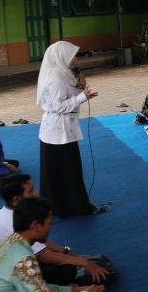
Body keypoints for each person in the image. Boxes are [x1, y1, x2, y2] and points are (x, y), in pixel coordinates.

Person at [0, 174, 110, 286]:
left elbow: (41, 245)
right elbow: (45, 256)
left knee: (64, 263)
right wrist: (84, 263)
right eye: (31, 191)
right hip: (5, 278)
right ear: (16, 200)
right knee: (67, 270)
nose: (36, 193)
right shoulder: (11, 221)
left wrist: (72, 255)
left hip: (8, 266)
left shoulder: (11, 212)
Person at [36, 41, 102, 218]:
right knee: (66, 171)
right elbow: (58, 106)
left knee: (67, 170)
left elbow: (66, 96)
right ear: (62, 56)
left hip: (62, 130)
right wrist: (82, 96)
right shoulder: (55, 78)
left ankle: (68, 205)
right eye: (73, 55)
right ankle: (68, 206)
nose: (75, 59)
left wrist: (78, 88)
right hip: (58, 132)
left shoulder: (62, 73)